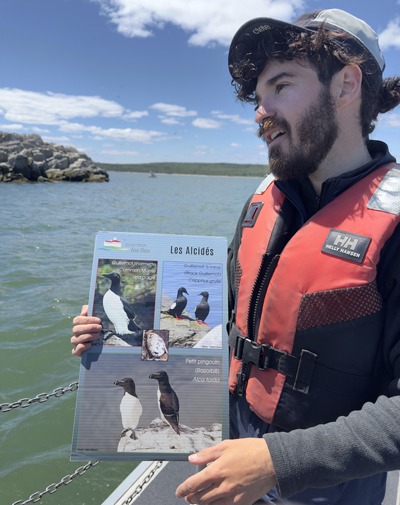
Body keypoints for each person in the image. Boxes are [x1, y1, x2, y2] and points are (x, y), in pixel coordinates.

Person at [71, 8, 400, 505]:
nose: (260, 113)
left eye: (281, 86)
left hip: (324, 488)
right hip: (230, 451)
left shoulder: (395, 224)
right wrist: (116, 343)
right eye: (257, 98)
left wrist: (277, 462)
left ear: (346, 85)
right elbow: (217, 322)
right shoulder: (262, 201)